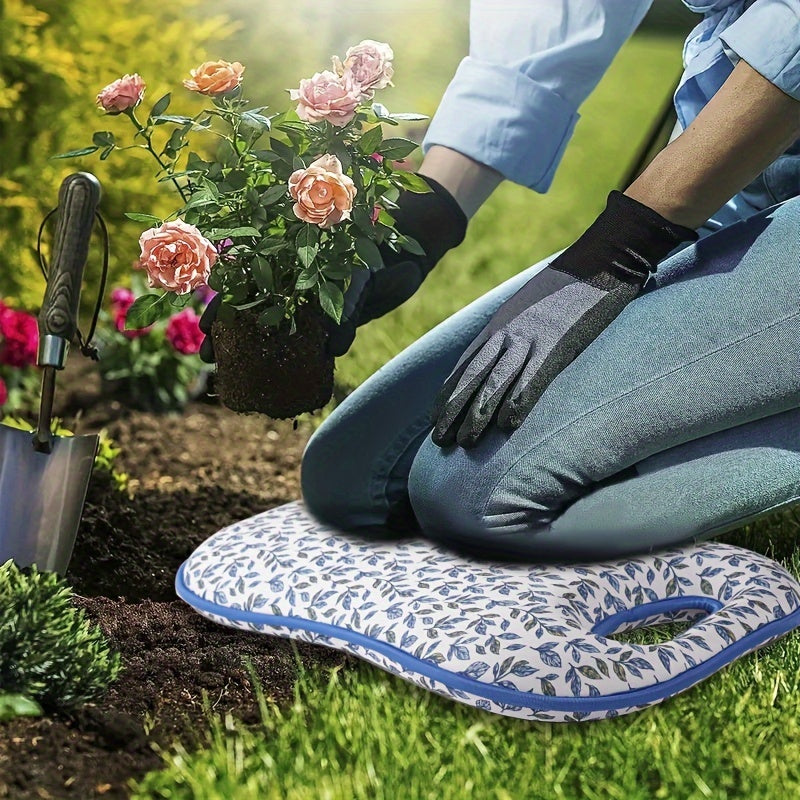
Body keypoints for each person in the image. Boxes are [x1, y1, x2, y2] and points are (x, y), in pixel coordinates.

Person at [205, 1, 800, 561]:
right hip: (747, 180)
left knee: (475, 501)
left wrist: (617, 251)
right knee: (353, 477)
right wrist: (432, 212)